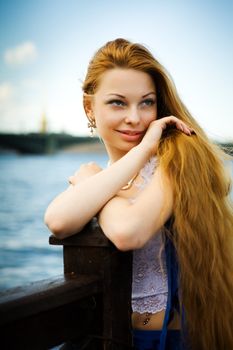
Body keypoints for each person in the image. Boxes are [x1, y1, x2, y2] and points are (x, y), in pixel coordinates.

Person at [44, 38, 233, 350]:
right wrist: (101, 177)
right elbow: (57, 221)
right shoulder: (102, 178)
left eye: (146, 102)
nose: (135, 118)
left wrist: (143, 150)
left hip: (170, 341)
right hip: (117, 339)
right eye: (118, 102)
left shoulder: (176, 162)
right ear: (89, 107)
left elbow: (128, 232)